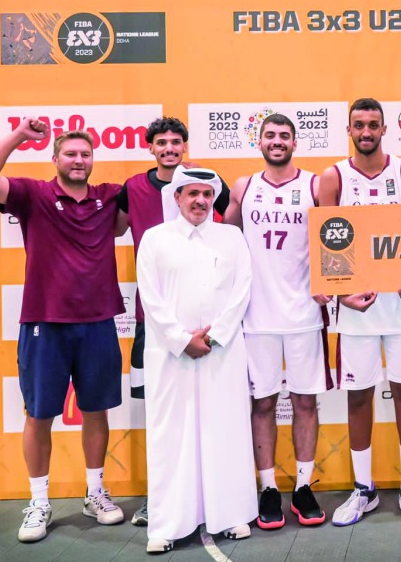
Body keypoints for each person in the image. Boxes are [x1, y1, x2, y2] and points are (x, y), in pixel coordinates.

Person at [0, 118, 126, 542]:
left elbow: (150, 203)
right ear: (54, 159)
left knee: (97, 410)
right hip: (44, 322)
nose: (79, 160)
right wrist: (19, 135)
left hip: (97, 321)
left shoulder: (110, 197)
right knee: (39, 415)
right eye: (70, 154)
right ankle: (38, 501)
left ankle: (96, 493)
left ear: (94, 159)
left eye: (85, 154)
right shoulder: (32, 194)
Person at [316, 97, 401, 527]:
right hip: (356, 310)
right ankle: (363, 489)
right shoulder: (333, 177)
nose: (366, 132)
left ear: (385, 129)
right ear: (349, 130)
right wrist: (340, 294)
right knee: (359, 395)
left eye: (373, 125)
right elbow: (326, 243)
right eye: (358, 125)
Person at [136, 167, 257, 554]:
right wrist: (182, 339)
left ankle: (232, 515)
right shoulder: (155, 239)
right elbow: (149, 297)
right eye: (192, 194)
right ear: (177, 197)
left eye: (207, 194)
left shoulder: (232, 236)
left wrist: (216, 335)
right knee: (171, 435)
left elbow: (242, 290)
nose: (200, 201)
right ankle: (169, 523)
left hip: (223, 351)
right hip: (171, 355)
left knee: (227, 430)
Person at [117, 116, 230, 527]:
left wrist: (211, 329)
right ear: (151, 148)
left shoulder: (207, 184)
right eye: (161, 142)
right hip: (155, 324)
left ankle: (209, 496)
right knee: (159, 415)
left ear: (185, 146)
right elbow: (108, 230)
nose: (169, 148)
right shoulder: (131, 188)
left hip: (207, 326)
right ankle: (158, 498)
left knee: (206, 414)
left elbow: (226, 236)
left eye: (175, 142)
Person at [224, 114, 329, 530]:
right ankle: (268, 488)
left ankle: (303, 487)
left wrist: (331, 281)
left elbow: (338, 235)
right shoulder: (243, 187)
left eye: (285, 135)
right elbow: (226, 243)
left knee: (305, 402)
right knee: (263, 402)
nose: (277, 141)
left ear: (295, 142)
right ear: (259, 141)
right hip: (256, 316)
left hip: (304, 313)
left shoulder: (316, 185)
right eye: (270, 135)